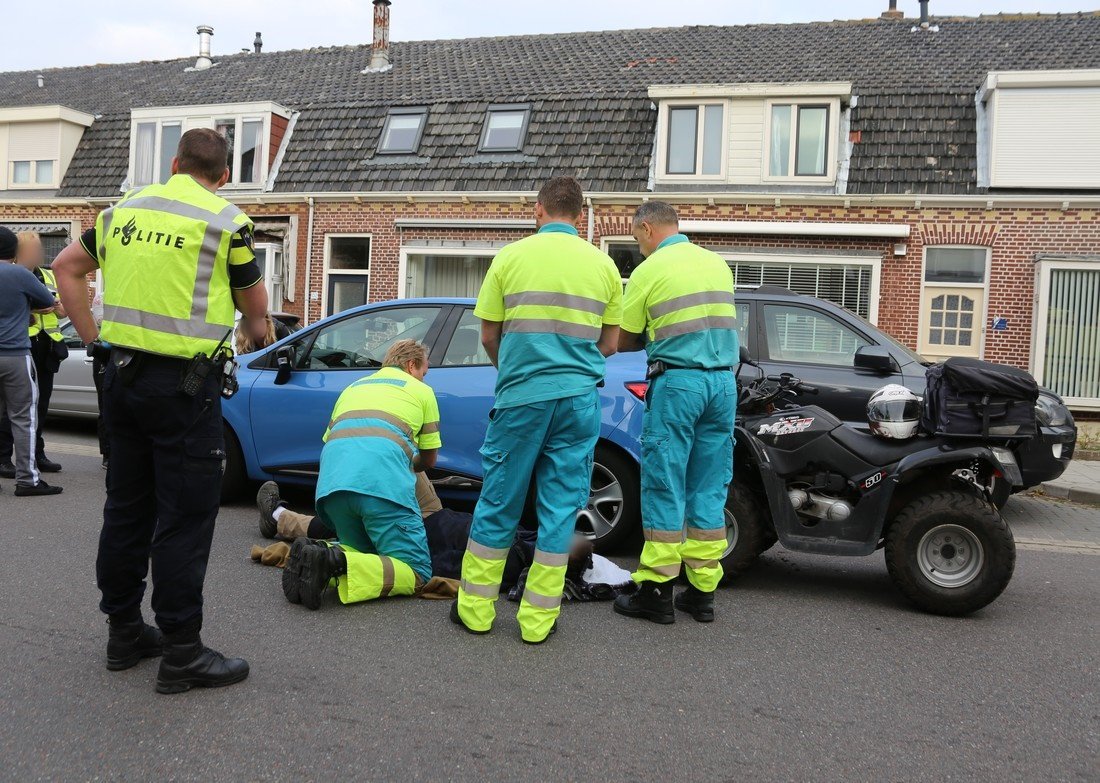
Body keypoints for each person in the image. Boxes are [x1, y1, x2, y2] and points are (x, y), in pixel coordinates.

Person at [52, 128, 270, 694]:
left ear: (174, 163)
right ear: (224, 175)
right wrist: (256, 332)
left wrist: (94, 339)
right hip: (182, 388)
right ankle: (182, 652)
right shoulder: (227, 222)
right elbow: (254, 304)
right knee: (185, 516)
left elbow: (65, 268)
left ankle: (124, 633)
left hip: (118, 379)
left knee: (127, 506)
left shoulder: (119, 212)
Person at [452, 175, 622, 645]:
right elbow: (610, 342)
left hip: (523, 397)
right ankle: (538, 621)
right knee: (561, 508)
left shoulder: (511, 257)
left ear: (539, 210)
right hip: (579, 401)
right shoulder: (603, 265)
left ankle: (475, 612)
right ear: (580, 214)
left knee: (499, 503)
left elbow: (488, 335)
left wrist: (513, 366)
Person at [611, 201, 738, 625]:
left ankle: (656, 593)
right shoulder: (716, 263)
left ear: (647, 228)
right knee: (708, 486)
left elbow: (626, 339)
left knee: (665, 482)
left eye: (636, 239)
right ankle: (702, 594)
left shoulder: (650, 269)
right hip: (722, 385)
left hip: (679, 382)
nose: (639, 249)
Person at [281, 339, 443, 611]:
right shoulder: (422, 391)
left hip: (332, 491)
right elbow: (429, 459)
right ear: (411, 365)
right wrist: (405, 465)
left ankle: (320, 556)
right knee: (417, 572)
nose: (424, 378)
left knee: (365, 556)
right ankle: (335, 562)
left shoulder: (352, 387)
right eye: (424, 372)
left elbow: (333, 441)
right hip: (381, 489)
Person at [0, 227, 62, 496]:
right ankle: (28, 480)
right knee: (24, 418)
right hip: (15, 355)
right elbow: (49, 301)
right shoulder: (20, 274)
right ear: (14, 252)